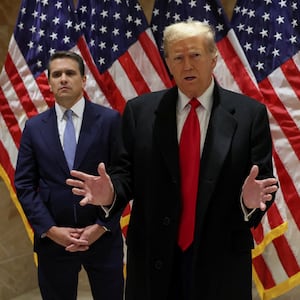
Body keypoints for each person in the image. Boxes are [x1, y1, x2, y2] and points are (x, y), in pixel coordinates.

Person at [66, 21, 278, 300]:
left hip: (220, 258)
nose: (187, 65)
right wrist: (111, 193)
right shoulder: (139, 112)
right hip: (154, 256)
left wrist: (248, 203)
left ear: (213, 59)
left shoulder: (250, 115)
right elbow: (124, 174)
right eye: (178, 57)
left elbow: (262, 183)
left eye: (195, 55)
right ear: (167, 63)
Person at [14, 51, 124, 300]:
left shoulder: (109, 120)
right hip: (54, 242)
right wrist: (51, 230)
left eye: (70, 73)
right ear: (49, 82)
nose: (63, 79)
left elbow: (123, 178)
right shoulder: (33, 127)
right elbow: (24, 184)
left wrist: (101, 226)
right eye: (57, 74)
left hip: (103, 239)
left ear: (83, 80)